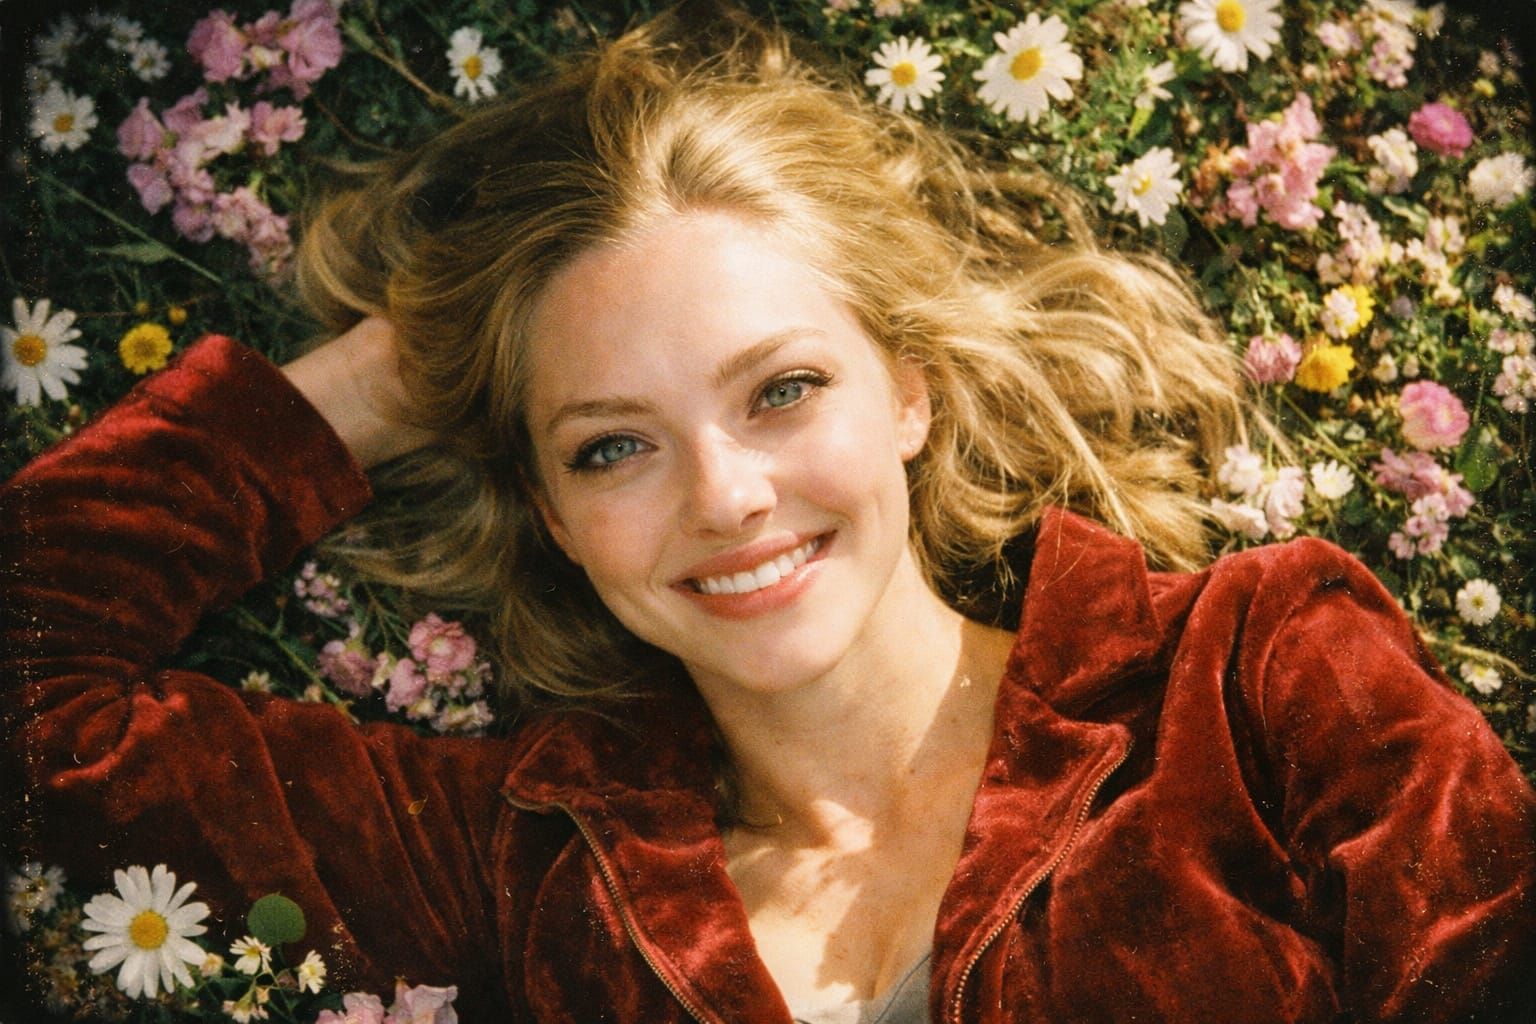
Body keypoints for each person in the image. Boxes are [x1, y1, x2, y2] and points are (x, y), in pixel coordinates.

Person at [3, 5, 1533, 1022]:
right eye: (614, 448)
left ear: (912, 391)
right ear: (544, 505)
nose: (727, 496)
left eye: (783, 390)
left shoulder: (1249, 681)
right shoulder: (528, 864)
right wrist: (414, 363)